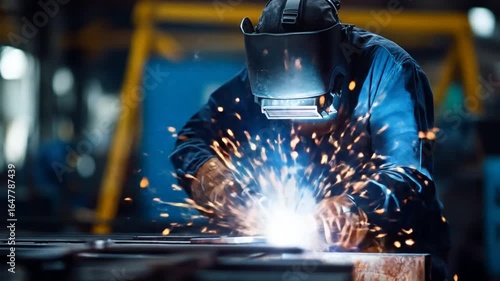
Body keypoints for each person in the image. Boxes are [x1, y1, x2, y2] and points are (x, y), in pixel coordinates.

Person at [170, 0, 450, 279]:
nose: (299, 128)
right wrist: (218, 183)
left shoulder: (388, 72)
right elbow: (191, 140)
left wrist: (354, 207)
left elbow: (409, 173)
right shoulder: (262, 76)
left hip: (394, 258)